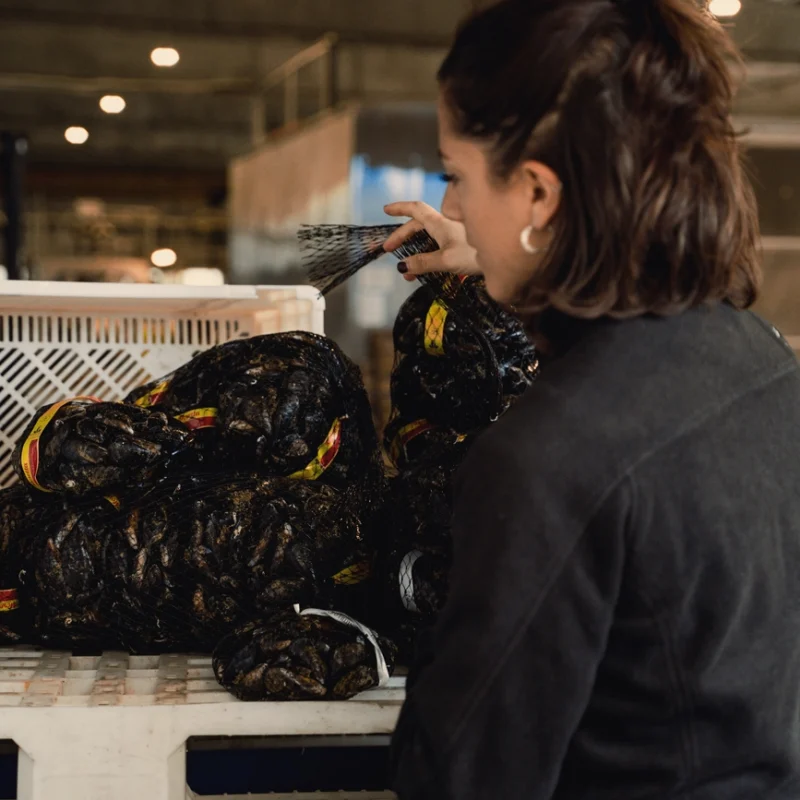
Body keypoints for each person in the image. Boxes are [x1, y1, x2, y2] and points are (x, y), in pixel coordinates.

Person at [382, 1, 800, 798]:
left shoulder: (546, 462)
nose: (455, 209)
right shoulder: (759, 359)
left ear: (540, 195)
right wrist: (516, 256)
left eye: (457, 177)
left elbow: (461, 777)